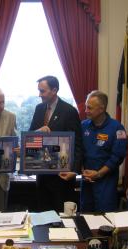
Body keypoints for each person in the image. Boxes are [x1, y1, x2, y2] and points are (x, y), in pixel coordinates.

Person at [29, 75, 83, 212]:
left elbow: (77, 144)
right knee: (43, 215)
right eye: (39, 91)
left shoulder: (69, 111)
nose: (39, 94)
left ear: (54, 90)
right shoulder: (39, 109)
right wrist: (38, 131)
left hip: (61, 177)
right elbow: (30, 137)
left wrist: (74, 170)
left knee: (61, 219)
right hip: (42, 174)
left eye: (42, 91)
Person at [77, 90, 127, 212]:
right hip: (87, 180)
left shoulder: (117, 128)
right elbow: (78, 150)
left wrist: (99, 173)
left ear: (101, 109)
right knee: (85, 215)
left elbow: (117, 157)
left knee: (105, 218)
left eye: (90, 108)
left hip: (106, 182)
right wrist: (82, 170)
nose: (86, 111)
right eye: (86, 107)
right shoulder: (83, 126)